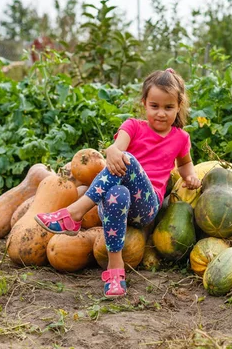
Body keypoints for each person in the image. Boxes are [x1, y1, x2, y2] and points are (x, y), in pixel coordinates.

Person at [35, 68, 201, 298]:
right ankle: (115, 270)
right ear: (144, 103)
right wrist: (112, 150)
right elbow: (116, 150)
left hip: (146, 206)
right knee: (120, 192)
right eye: (154, 106)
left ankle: (74, 213)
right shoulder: (133, 126)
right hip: (113, 204)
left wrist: (189, 176)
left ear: (179, 106)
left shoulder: (180, 138)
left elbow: (184, 164)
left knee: (128, 160)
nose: (161, 113)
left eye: (168, 107)